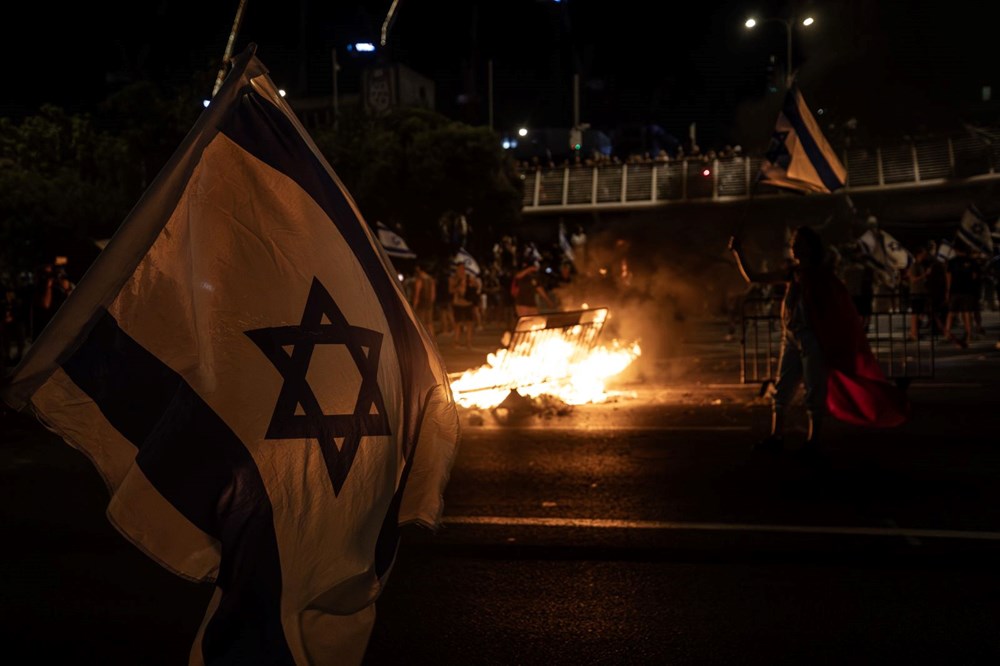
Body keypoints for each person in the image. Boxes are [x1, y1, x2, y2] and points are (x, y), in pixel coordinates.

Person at [728, 226, 908, 456]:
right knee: (782, 389)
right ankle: (777, 435)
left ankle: (813, 440)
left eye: (799, 242)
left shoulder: (822, 275)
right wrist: (738, 252)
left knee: (814, 390)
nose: (794, 246)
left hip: (812, 339)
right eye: (794, 242)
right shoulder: (792, 273)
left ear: (811, 248)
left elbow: (834, 309)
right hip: (791, 337)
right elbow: (754, 277)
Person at [941, 241, 979, 349]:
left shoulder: (952, 262)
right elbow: (974, 276)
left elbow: (948, 277)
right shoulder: (972, 261)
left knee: (951, 313)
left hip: (955, 290)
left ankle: (947, 334)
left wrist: (947, 291)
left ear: (956, 250)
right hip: (968, 290)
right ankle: (969, 335)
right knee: (967, 313)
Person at [448, 260, 477, 349]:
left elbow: (475, 288)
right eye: (459, 268)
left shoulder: (469, 278)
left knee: (470, 324)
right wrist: (458, 285)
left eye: (463, 268)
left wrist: (471, 284)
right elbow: (450, 290)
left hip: (468, 304)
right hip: (458, 304)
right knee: (458, 324)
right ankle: (456, 342)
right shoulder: (453, 279)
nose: (461, 270)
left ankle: (468, 343)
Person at [410, 262, 436, 336]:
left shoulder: (419, 280)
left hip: (421, 305)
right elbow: (433, 295)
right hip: (429, 304)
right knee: (429, 323)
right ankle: (432, 340)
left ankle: (421, 340)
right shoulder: (431, 280)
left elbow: (417, 295)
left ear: (419, 269)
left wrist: (414, 307)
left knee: (420, 323)